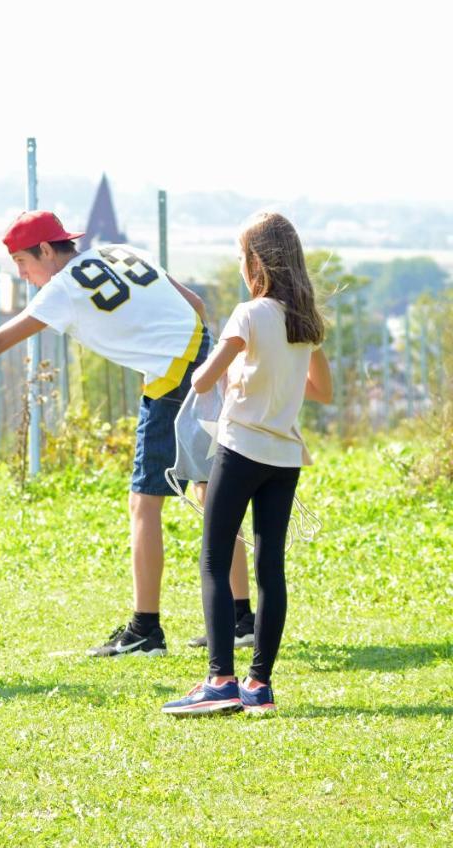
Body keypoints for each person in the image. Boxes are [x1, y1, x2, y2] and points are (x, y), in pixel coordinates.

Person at [0, 210, 250, 656]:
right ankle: (242, 618)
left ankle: (146, 630)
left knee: (143, 502)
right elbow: (197, 306)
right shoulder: (120, 250)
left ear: (48, 251)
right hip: (203, 360)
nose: (23, 275)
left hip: (170, 378)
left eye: (23, 263)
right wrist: (203, 364)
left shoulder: (63, 288)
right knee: (209, 491)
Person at [162, 211, 332, 716]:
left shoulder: (249, 313)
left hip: (240, 450)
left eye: (241, 257)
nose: (240, 266)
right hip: (284, 457)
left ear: (258, 261)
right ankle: (259, 685)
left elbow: (200, 380)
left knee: (215, 557)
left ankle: (219, 680)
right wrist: (277, 372)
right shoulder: (305, 320)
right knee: (269, 566)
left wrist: (234, 367)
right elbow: (321, 390)